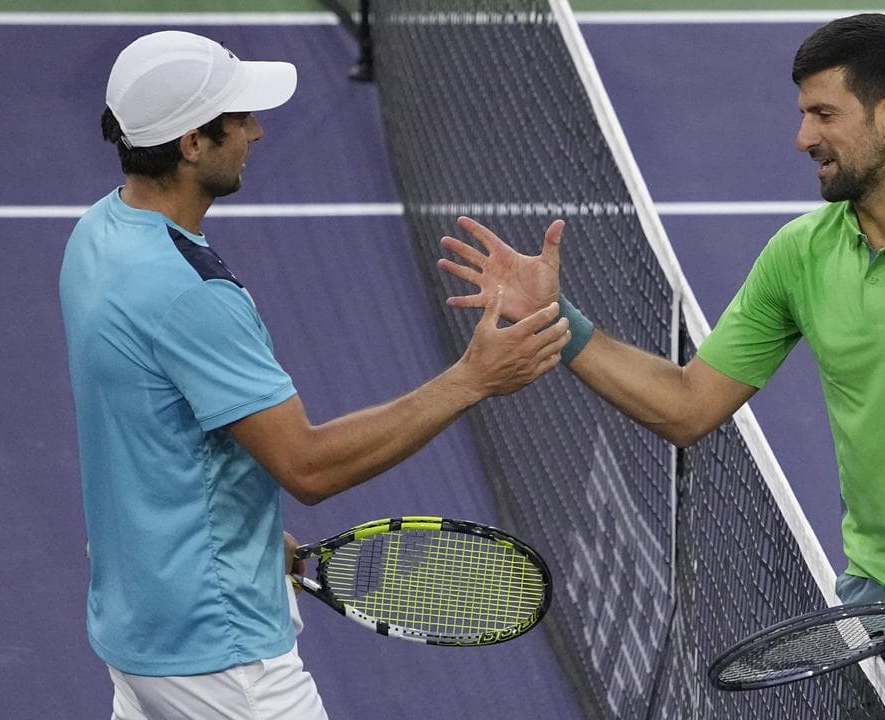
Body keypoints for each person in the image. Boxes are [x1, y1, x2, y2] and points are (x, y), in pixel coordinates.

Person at [438, 13, 885, 720]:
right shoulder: (800, 254)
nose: (803, 137)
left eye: (823, 114)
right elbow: (689, 405)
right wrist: (559, 322)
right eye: (802, 115)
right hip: (874, 615)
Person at [59, 30, 569, 720]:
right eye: (241, 119)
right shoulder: (191, 295)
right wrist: (471, 379)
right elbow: (308, 467)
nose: (258, 132)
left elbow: (146, 427)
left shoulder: (97, 235)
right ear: (191, 143)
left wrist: (245, 533)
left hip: (137, 628)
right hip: (224, 657)